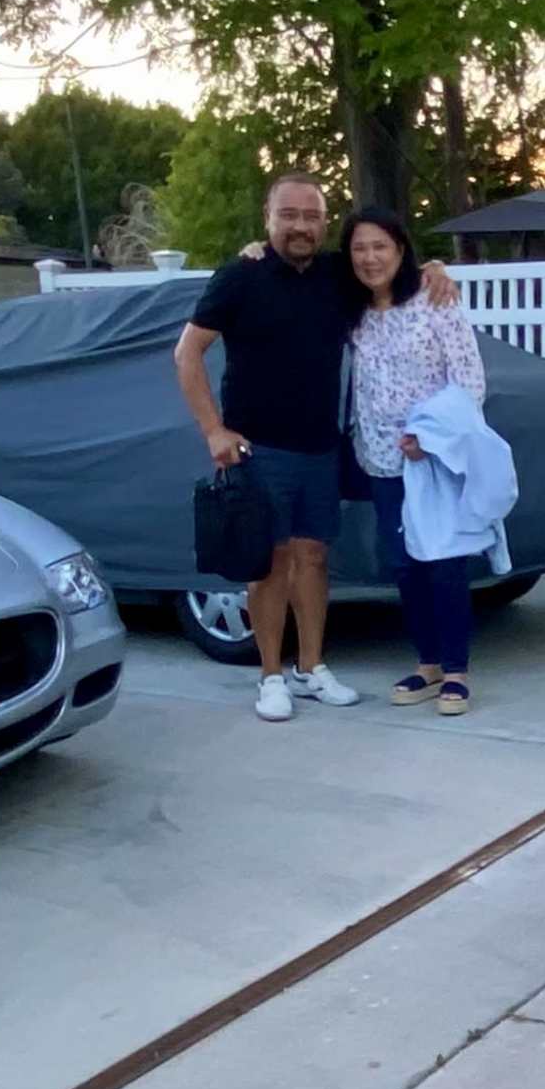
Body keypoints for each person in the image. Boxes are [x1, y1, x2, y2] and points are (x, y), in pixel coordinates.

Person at [174, 173, 450, 720]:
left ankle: (311, 669)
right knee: (270, 564)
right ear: (268, 218)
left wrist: (435, 269)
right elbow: (187, 354)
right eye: (289, 215)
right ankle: (271, 677)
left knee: (314, 558)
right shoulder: (239, 278)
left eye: (311, 216)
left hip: (322, 448)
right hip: (259, 449)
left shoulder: (335, 276)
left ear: (324, 222)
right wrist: (213, 430)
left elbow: (386, 270)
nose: (301, 226)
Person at [338, 207, 491, 715]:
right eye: (359, 248)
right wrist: (254, 252)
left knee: (444, 562)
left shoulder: (435, 301)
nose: (369, 257)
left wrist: (429, 437)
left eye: (380, 245)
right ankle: (426, 663)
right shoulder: (352, 309)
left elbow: (469, 382)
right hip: (381, 462)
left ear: (401, 250)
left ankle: (456, 670)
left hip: (433, 460)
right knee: (404, 565)